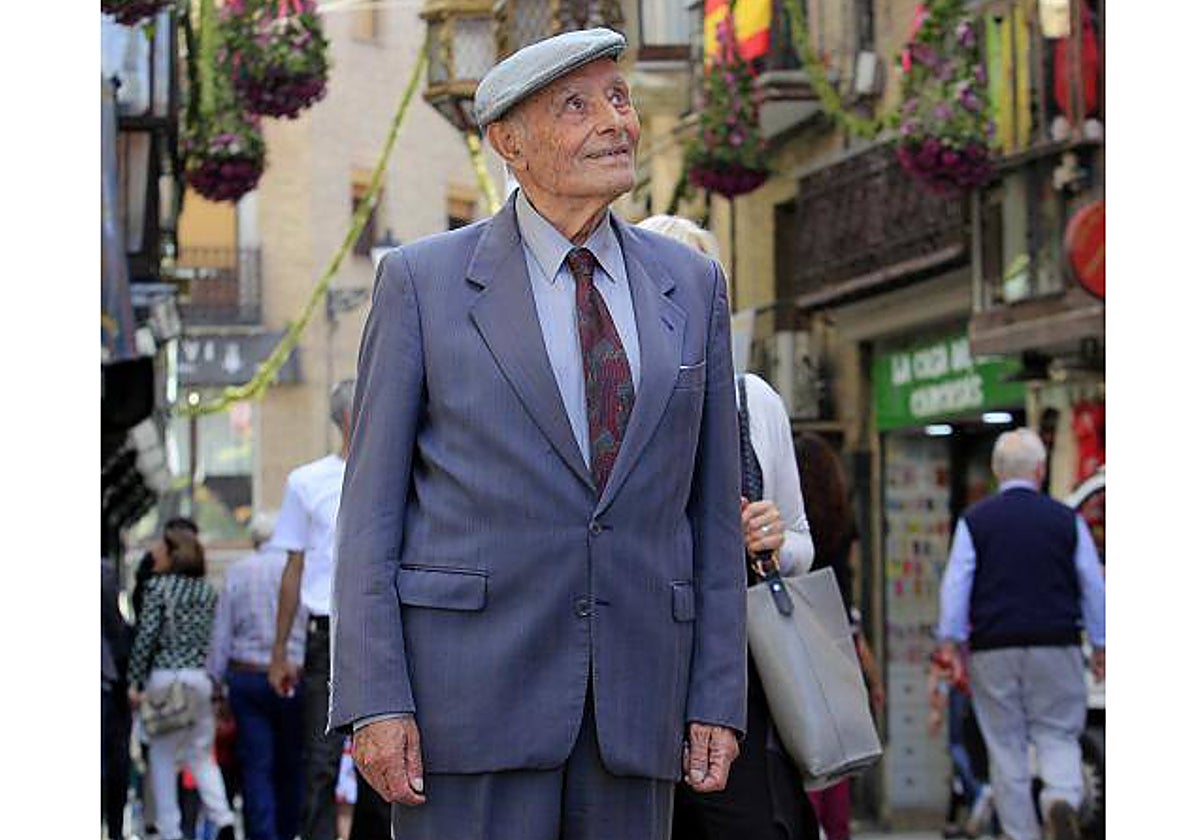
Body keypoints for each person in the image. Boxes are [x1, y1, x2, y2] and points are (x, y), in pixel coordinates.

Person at [330, 27, 747, 840]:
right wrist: (375, 700)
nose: (615, 122)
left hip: (637, 709)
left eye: (618, 98)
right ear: (508, 143)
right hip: (464, 709)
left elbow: (713, 516)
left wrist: (717, 696)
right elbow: (369, 517)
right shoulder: (421, 283)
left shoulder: (693, 287)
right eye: (576, 106)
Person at [635, 214, 818, 840]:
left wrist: (774, 540)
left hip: (732, 678)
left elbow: (801, 542)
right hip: (632, 670)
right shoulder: (607, 395)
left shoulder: (752, 401)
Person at [935, 428, 1105, 840]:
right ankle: (1059, 797)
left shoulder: (975, 522)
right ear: (1042, 471)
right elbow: (1092, 585)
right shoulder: (1067, 521)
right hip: (1057, 642)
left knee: (1005, 744)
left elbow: (956, 585)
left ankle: (1019, 832)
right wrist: (1102, 644)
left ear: (996, 471)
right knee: (1058, 732)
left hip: (994, 649)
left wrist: (950, 643)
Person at [268, 378, 392, 840]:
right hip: (326, 635)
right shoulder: (306, 483)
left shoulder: (397, 471)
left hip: (380, 631)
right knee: (320, 760)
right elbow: (293, 568)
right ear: (350, 417)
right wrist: (280, 651)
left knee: (384, 755)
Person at [791, 431, 886, 840]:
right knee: (836, 753)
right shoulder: (842, 521)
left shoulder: (789, 526)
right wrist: (870, 672)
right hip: (838, 641)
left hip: (793, 640)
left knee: (800, 750)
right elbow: (848, 594)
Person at [127, 525, 236, 840]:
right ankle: (223, 817)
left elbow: (146, 637)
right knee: (201, 755)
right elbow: (216, 639)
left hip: (165, 680)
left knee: (162, 757)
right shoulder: (206, 591)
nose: (154, 554)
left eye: (159, 550)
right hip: (199, 680)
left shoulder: (158, 588)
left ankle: (170, 830)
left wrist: (135, 681)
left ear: (173, 554)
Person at [209, 512, 306, 840]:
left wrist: (216, 684)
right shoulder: (297, 570)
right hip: (294, 675)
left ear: (254, 540)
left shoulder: (238, 571)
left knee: (256, 766)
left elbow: (221, 634)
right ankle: (289, 831)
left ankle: (264, 835)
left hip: (247, 677)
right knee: (293, 764)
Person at [102, 556, 133, 840]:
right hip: (104, 680)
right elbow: (114, 628)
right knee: (111, 758)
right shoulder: (102, 571)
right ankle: (113, 829)